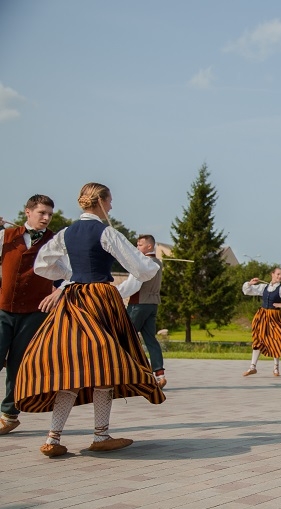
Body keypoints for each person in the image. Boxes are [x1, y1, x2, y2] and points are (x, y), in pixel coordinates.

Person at [15, 182, 166, 457]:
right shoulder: (106, 231)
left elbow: (41, 265)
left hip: (73, 300)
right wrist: (152, 264)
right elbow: (142, 269)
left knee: (72, 368)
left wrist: (71, 275)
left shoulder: (66, 232)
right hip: (100, 300)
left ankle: (53, 437)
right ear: (100, 202)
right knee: (104, 367)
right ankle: (100, 435)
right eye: (109, 202)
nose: (111, 206)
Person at [0, 195, 61, 435]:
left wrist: (60, 291)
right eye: (41, 213)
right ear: (28, 212)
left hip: (35, 312)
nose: (46, 218)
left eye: (49, 214)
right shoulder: (6, 236)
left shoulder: (55, 242)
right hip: (4, 308)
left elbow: (69, 272)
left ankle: (9, 415)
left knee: (18, 364)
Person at [116, 234, 166, 388]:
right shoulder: (157, 263)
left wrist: (114, 293)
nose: (137, 248)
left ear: (149, 246)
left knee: (125, 338)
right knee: (150, 339)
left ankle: (131, 375)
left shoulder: (143, 263)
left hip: (139, 305)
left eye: (140, 245)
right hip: (152, 305)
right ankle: (159, 375)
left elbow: (133, 285)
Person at [241, 267, 281, 376]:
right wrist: (250, 283)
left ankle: (276, 368)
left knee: (276, 339)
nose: (279, 277)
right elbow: (247, 291)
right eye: (278, 274)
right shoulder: (264, 287)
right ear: (272, 274)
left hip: (274, 316)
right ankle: (252, 367)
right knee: (258, 339)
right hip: (262, 316)